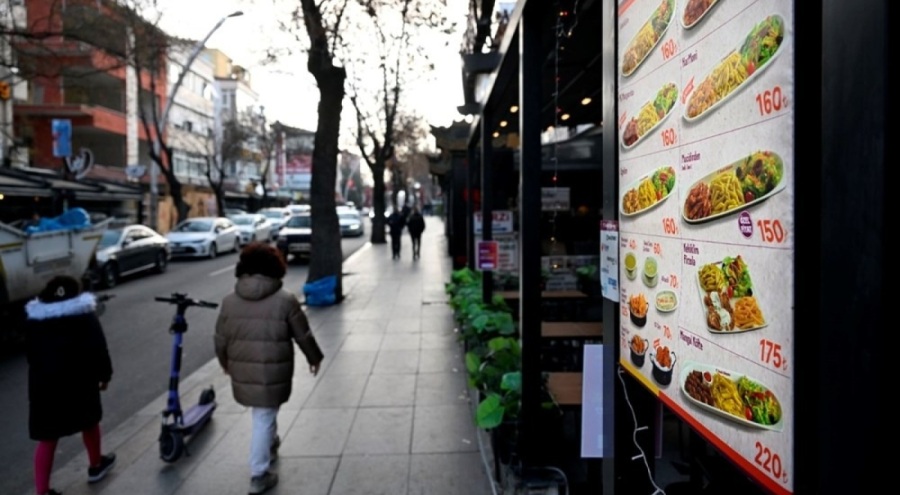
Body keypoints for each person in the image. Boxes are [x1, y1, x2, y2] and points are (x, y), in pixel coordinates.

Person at [215, 242, 324, 495]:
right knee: (264, 415)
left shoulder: (229, 302)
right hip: (274, 369)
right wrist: (314, 357)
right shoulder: (285, 300)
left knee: (265, 411)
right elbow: (303, 334)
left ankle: (271, 444)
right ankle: (259, 474)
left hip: (243, 368)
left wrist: (225, 363)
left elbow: (220, 339)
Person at [25, 275, 116, 495]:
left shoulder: (34, 319)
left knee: (48, 437)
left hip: (45, 386)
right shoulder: (85, 314)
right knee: (89, 422)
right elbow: (99, 347)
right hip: (80, 381)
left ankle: (42, 491)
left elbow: (30, 354)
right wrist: (105, 375)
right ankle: (96, 465)